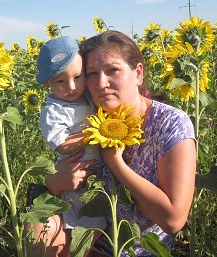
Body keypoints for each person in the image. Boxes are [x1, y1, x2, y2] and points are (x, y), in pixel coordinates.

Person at [29, 30, 197, 256]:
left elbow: (173, 220)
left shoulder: (170, 124)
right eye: (91, 73)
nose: (100, 82)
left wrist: (116, 163)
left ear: (138, 73)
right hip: (87, 235)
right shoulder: (90, 113)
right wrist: (55, 182)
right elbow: (62, 169)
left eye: (113, 70)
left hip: (136, 248)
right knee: (37, 222)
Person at [25, 36, 106, 256]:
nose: (71, 87)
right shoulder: (53, 111)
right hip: (76, 176)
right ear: (47, 84)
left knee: (100, 221)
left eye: (78, 77)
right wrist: (95, 133)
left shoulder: (86, 98)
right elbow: (61, 144)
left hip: (99, 173)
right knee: (85, 223)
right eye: (60, 81)